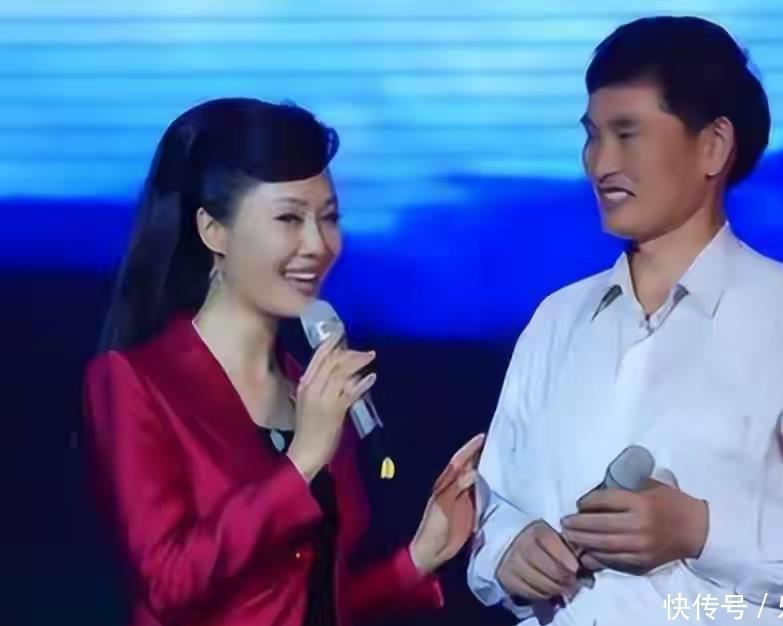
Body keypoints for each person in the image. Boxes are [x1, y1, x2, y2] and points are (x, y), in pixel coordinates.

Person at [468, 16, 783, 626]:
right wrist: (507, 551)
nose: (601, 163)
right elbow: (494, 506)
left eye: (627, 134)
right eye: (592, 135)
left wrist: (704, 531)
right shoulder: (557, 320)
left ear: (713, 145)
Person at [84, 97, 484, 626]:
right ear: (213, 230)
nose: (318, 244)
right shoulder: (135, 381)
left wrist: (418, 557)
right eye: (289, 218)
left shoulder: (308, 389)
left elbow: (302, 602)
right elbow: (170, 582)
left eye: (329, 218)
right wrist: (301, 463)